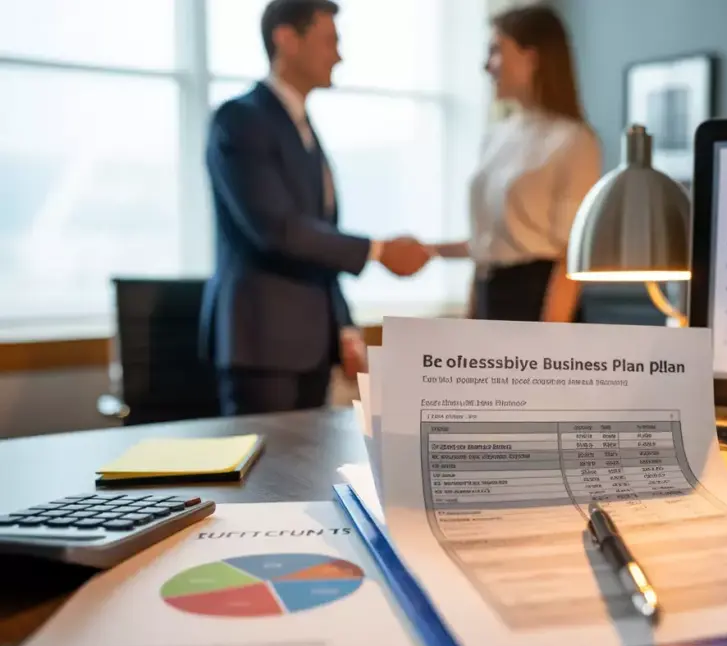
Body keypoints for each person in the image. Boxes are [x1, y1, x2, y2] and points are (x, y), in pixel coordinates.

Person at [199, 0, 431, 416]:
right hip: (262, 346)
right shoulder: (239, 119)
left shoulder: (304, 129)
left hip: (309, 346)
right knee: (265, 476)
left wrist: (343, 326)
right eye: (330, 41)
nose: (339, 55)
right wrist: (377, 250)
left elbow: (317, 238)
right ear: (287, 39)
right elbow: (277, 229)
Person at [432, 5, 601, 322]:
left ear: (532, 57)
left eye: (496, 51)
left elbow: (570, 256)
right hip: (490, 295)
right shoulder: (497, 135)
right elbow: (487, 247)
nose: (486, 65)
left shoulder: (574, 140)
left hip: (538, 301)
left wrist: (549, 339)